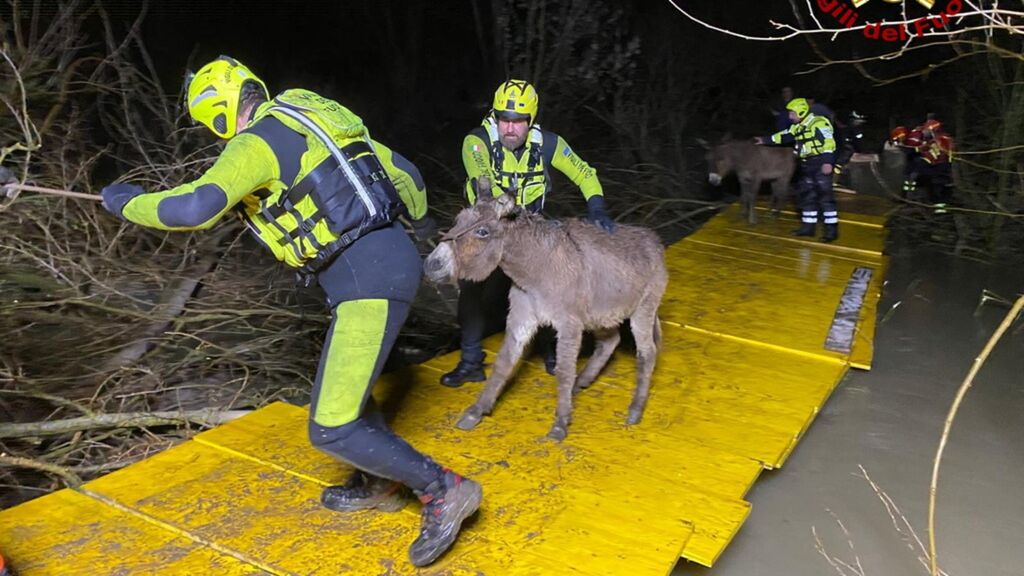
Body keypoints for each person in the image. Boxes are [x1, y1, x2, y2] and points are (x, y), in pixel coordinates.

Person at [99, 55, 479, 568]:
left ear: (216, 112)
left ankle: (443, 489)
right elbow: (406, 174)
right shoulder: (317, 119)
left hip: (367, 279)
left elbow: (192, 208)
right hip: (382, 265)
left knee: (331, 426)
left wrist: (126, 203)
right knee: (347, 388)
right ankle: (378, 483)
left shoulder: (254, 143)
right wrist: (420, 229)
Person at [439, 78, 614, 388]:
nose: (509, 128)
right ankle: (470, 361)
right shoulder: (477, 142)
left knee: (548, 287)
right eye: (503, 119)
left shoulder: (548, 144)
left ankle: (548, 350)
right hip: (486, 232)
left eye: (518, 121)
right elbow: (487, 189)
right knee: (472, 290)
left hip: (528, 231)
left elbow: (585, 173)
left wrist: (597, 206)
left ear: (531, 121)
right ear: (494, 117)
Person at [756, 97, 840, 242]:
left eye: (792, 113)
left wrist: (827, 162)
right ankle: (808, 227)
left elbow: (828, 142)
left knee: (825, 198)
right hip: (806, 165)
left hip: (820, 163)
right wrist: (764, 140)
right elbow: (784, 136)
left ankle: (831, 231)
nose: (790, 116)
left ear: (801, 111)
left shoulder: (819, 123)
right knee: (807, 196)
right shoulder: (799, 126)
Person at [904, 116, 954, 213]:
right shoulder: (936, 139)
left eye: (927, 130)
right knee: (930, 185)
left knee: (937, 188)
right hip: (938, 167)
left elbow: (938, 154)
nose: (925, 132)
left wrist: (924, 158)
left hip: (941, 168)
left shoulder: (942, 139)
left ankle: (940, 211)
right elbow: (926, 149)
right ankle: (929, 206)